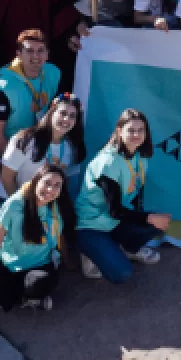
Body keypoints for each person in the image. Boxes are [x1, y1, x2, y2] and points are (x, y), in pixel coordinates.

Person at [74, 108, 171, 282]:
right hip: (91, 225)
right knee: (122, 274)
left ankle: (128, 248)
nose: (136, 134)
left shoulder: (139, 156)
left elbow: (135, 194)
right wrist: (148, 217)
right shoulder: (108, 162)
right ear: (119, 131)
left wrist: (148, 219)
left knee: (157, 223)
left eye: (141, 130)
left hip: (114, 221)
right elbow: (115, 211)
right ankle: (89, 252)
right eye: (131, 130)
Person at [0, 162, 71, 310]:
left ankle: (17, 298)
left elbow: (59, 236)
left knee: (39, 284)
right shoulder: (14, 205)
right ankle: (24, 299)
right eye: (47, 183)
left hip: (40, 265)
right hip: (10, 264)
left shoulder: (56, 205)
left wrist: (67, 259)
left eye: (57, 185)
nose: (51, 189)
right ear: (36, 180)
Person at [0, 29, 62, 160]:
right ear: (19, 54)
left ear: (47, 54)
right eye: (29, 51)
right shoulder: (2, 88)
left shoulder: (53, 72)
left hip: (29, 146)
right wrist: (19, 164)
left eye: (41, 50)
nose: (35, 56)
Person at [0, 94, 84, 202]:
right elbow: (6, 178)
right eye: (63, 113)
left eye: (72, 116)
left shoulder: (71, 148)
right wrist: (23, 207)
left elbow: (66, 183)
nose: (67, 119)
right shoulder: (25, 140)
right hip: (10, 199)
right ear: (52, 112)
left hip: (43, 204)